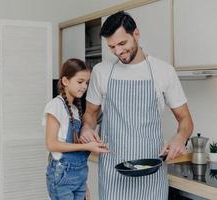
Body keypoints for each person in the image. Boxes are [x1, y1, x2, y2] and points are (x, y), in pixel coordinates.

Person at [80, 11, 193, 200]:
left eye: (122, 43)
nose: (118, 51)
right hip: (113, 173)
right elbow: (90, 114)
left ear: (136, 34)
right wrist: (86, 129)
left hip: (151, 174)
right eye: (112, 47)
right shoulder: (101, 71)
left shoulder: (163, 71)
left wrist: (180, 138)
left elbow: (186, 120)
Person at [43, 58, 108, 200]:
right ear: (65, 81)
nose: (84, 86)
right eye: (80, 82)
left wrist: (83, 184)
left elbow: (77, 149)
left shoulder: (74, 109)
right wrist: (87, 146)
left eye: (87, 82)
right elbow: (51, 144)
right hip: (62, 176)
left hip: (79, 175)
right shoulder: (56, 105)